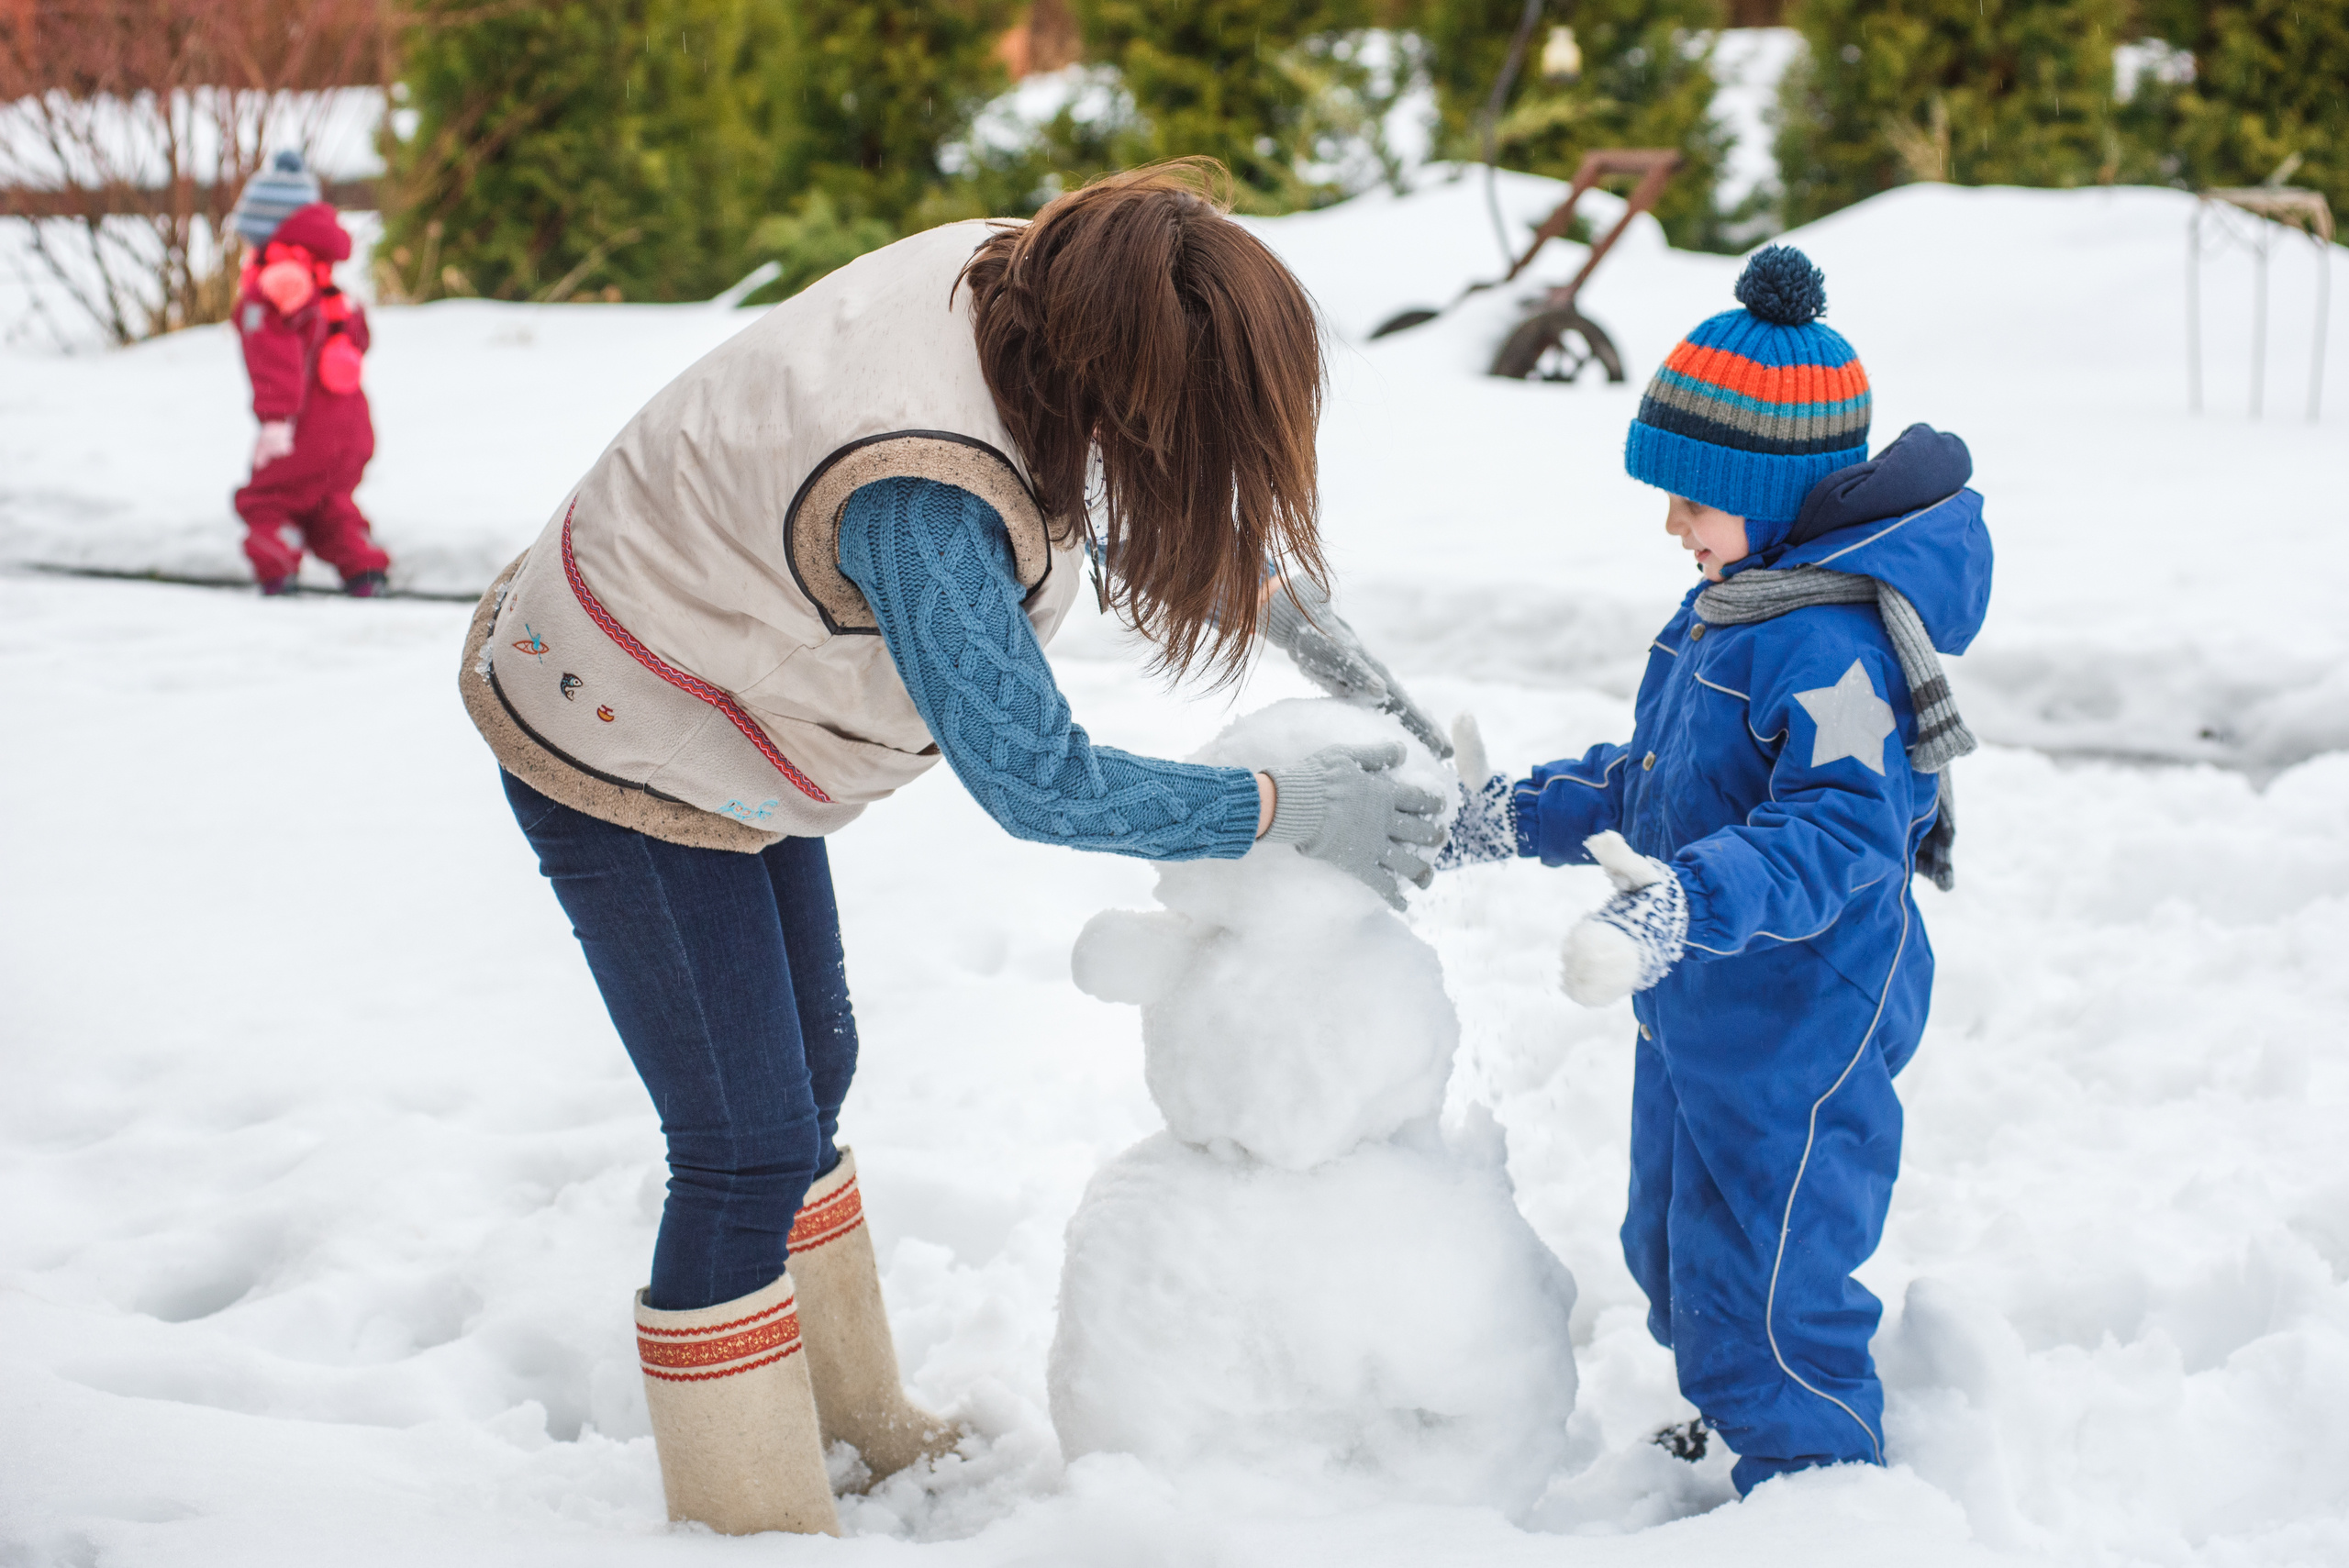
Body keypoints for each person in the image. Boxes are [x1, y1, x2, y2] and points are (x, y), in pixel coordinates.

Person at [457, 162, 1450, 1536]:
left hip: (725, 701)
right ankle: (750, 1517)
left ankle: (848, 1422)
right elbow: (1038, 779)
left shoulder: (1043, 291)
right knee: (743, 1139)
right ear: (1128, 376)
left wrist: (1300, 630)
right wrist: (1288, 809)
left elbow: (1139, 466)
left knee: (814, 1071)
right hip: (623, 729)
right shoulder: (920, 490)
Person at [1439, 246, 1992, 1495]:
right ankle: (1737, 1415)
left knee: (1772, 1284)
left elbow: (1842, 830)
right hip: (1697, 992)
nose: (1672, 524)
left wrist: (1687, 903)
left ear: (1779, 491)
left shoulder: (1834, 647)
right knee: (1671, 1249)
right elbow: (1652, 782)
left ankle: (1815, 1488)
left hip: (1803, 1015)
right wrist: (1504, 817)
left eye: (1695, 498)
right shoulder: (1732, 610)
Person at [227, 152, 389, 596]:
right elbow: (357, 338)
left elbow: (274, 361)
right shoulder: (327, 282)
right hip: (351, 425)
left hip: (304, 426)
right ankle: (364, 566)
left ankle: (278, 561)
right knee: (328, 502)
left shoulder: (272, 288)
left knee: (267, 499)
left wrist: (276, 422)